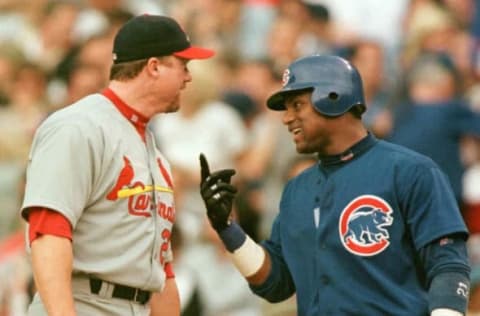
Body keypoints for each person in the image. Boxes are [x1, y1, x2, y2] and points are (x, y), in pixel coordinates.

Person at [199, 54, 471, 316]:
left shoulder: (410, 171)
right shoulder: (296, 190)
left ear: (333, 98)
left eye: (297, 105)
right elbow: (276, 283)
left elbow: (448, 265)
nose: (286, 118)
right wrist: (227, 229)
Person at [20, 14, 214, 316]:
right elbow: (48, 233)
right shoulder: (78, 127)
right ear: (153, 67)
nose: (189, 77)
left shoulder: (153, 153)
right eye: (183, 66)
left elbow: (162, 271)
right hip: (83, 302)